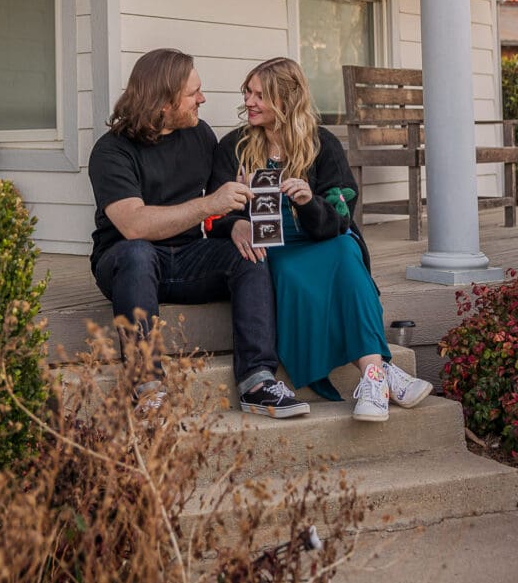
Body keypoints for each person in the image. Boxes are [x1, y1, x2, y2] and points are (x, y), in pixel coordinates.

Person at [88, 48, 310, 418]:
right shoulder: (112, 151)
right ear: (163, 102)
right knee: (137, 252)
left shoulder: (200, 135)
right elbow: (133, 225)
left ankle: (257, 380)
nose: (202, 99)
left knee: (248, 254)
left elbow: (220, 206)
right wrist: (210, 206)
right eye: (194, 93)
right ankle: (148, 389)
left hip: (190, 258)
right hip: (128, 265)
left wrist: (237, 221)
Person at [210, 57, 433, 422]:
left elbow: (342, 214)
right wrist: (235, 223)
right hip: (272, 247)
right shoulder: (233, 146)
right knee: (288, 269)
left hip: (318, 238)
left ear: (285, 100)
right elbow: (215, 211)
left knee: (347, 250)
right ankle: (382, 373)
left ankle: (373, 377)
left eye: (259, 95)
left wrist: (307, 201)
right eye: (247, 93)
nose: (248, 101)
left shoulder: (321, 143)